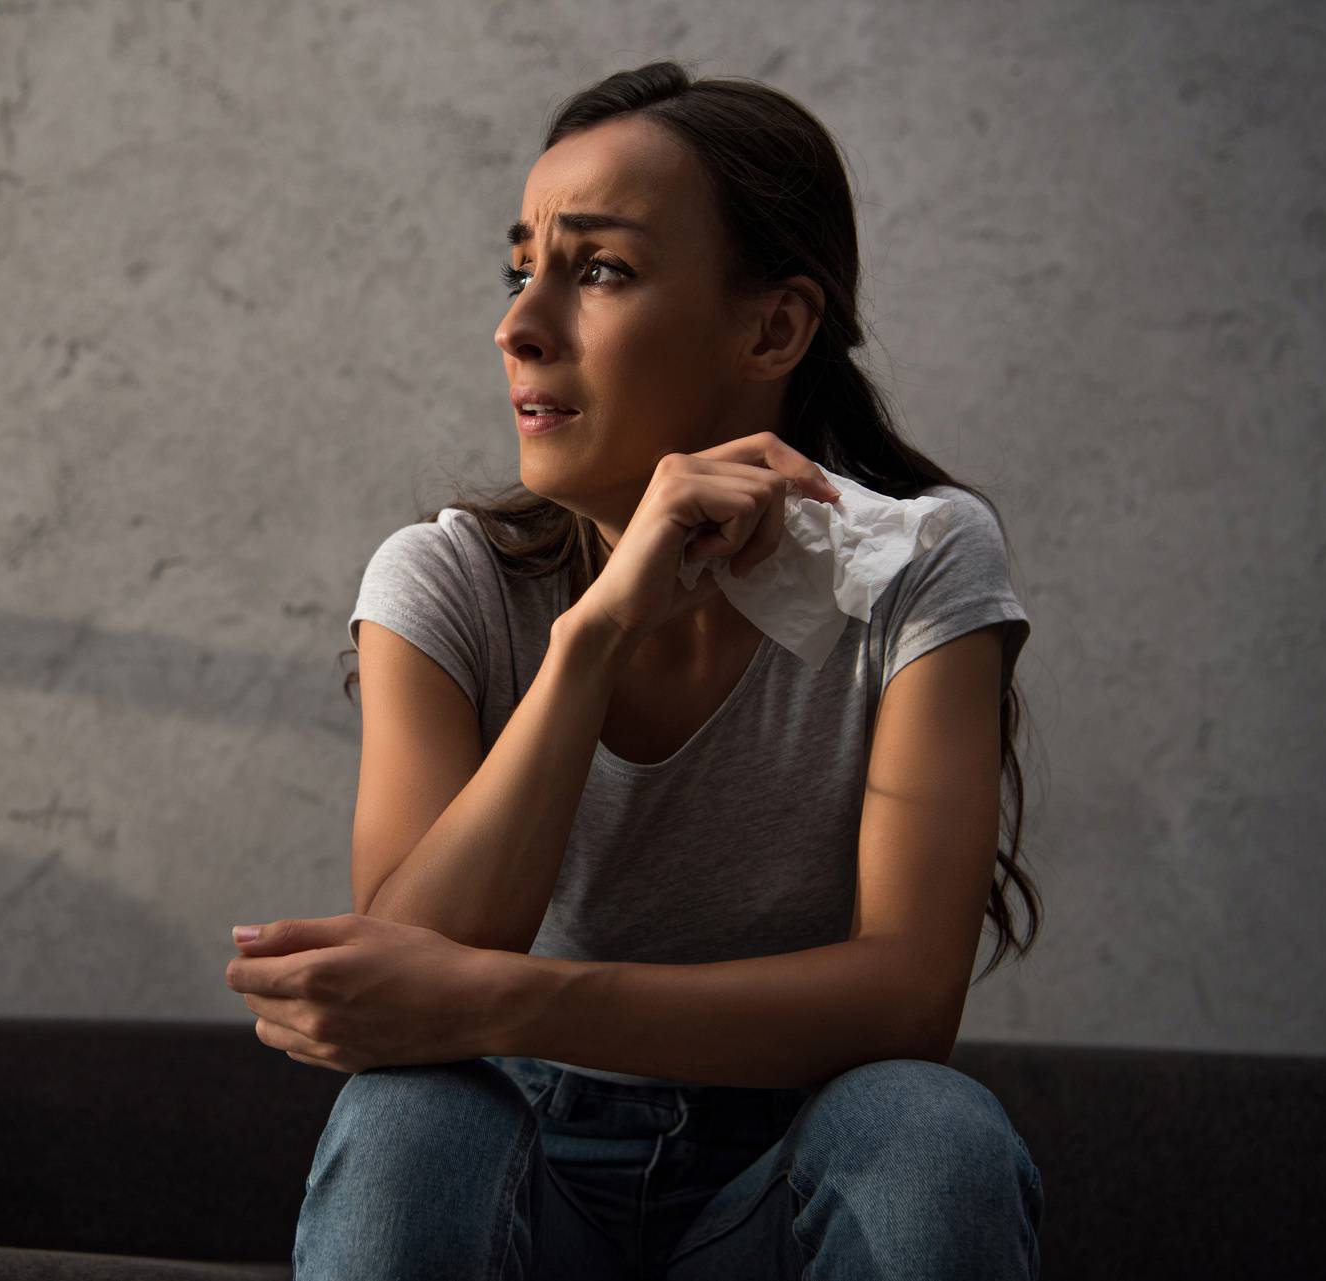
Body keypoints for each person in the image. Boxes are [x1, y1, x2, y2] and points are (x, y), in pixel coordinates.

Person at [226, 58, 1044, 1280]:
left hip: (789, 1177)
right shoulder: (443, 584)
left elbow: (907, 1002)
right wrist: (592, 638)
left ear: (773, 327)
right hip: (516, 1179)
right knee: (408, 1123)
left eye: (598, 270)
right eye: (521, 269)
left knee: (929, 1134)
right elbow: (403, 994)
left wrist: (502, 1003)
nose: (518, 324)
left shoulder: (919, 564)